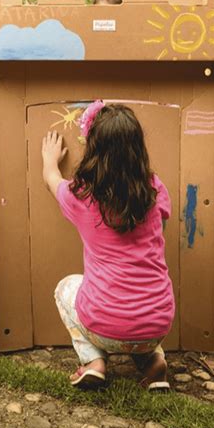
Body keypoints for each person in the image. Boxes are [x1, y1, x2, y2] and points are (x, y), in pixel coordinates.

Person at [42, 102, 174, 391]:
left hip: (105, 325)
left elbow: (52, 181)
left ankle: (94, 362)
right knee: (138, 319)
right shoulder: (155, 190)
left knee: (66, 287)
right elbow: (160, 228)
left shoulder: (81, 196)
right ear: (138, 147)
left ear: (93, 148)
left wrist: (50, 160)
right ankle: (153, 360)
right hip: (157, 323)